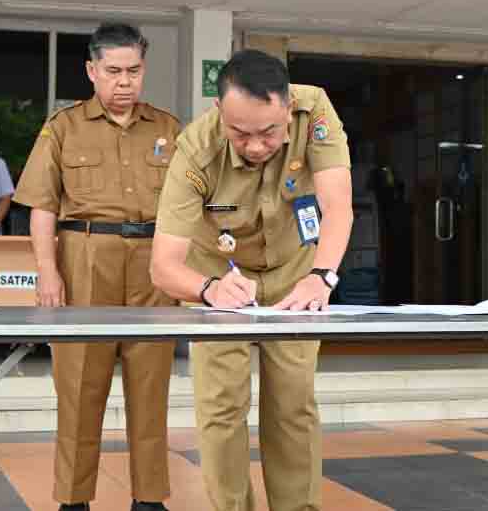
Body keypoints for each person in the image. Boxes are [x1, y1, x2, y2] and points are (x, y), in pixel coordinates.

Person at [149, 49, 354, 511]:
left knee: (292, 404)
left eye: (270, 132)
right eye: (240, 134)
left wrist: (322, 276)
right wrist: (208, 289)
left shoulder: (313, 108)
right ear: (219, 112)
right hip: (218, 277)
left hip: (297, 273)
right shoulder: (195, 149)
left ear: (287, 108)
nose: (257, 145)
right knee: (222, 407)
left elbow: (338, 204)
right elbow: (163, 265)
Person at [13, 23, 181, 511]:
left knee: (151, 384)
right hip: (85, 257)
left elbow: (192, 204)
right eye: (113, 71)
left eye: (133, 71)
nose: (124, 82)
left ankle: (149, 499)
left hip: (152, 263)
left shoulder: (169, 129)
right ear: (91, 71)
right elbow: (41, 205)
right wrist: (48, 271)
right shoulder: (63, 127)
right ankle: (73, 499)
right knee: (80, 386)